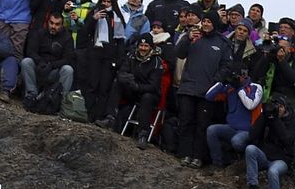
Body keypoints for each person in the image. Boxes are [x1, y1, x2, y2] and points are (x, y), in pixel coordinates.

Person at [175, 10, 232, 169]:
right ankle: (184, 153)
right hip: (187, 87)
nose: (206, 24)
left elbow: (226, 66)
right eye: (204, 21)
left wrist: (215, 82)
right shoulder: (192, 36)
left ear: (214, 24)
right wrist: (187, 38)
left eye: (209, 22)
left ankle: (198, 157)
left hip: (207, 92)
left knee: (202, 125)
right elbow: (179, 53)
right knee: (186, 122)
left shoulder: (222, 42)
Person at [101, 33, 165, 148]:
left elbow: (154, 86)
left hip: (148, 93)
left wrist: (137, 86)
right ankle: (110, 117)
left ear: (151, 47)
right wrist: (127, 79)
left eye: (146, 46)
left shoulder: (157, 62)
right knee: (117, 83)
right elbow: (122, 71)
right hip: (132, 88)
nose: (143, 48)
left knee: (147, 97)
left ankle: (143, 134)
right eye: (141, 45)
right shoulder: (131, 56)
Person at [240, 96, 294, 189]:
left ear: (284, 108)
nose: (277, 109)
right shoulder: (268, 117)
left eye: (279, 107)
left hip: (282, 160)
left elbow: (287, 141)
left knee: (273, 171)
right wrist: (264, 117)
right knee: (250, 149)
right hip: (266, 156)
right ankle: (253, 187)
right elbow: (252, 136)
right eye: (275, 106)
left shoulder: (291, 121)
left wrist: (275, 120)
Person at [79, 0, 126, 123]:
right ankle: (88, 114)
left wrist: (118, 60)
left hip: (109, 56)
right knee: (92, 85)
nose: (105, 4)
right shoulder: (94, 12)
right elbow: (84, 31)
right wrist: (94, 19)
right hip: (94, 53)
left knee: (104, 87)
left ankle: (99, 116)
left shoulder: (116, 16)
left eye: (108, 2)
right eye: (103, 1)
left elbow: (120, 40)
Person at [205, 69, 262, 167]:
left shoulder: (255, 87)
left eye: (239, 75)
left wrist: (240, 88)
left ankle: (244, 158)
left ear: (245, 75)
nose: (237, 78)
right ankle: (217, 164)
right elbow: (209, 96)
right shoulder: (230, 88)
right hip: (231, 127)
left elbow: (250, 105)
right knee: (211, 130)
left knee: (236, 141)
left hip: (247, 130)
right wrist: (222, 82)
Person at [20, 12, 75, 109]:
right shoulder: (39, 33)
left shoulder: (67, 37)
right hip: (38, 67)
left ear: (62, 25)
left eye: (57, 24)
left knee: (68, 69)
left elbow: (68, 59)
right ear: (48, 22)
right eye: (51, 23)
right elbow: (30, 51)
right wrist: (40, 62)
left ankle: (60, 102)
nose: (53, 26)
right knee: (26, 62)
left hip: (54, 70)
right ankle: (31, 95)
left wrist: (51, 65)